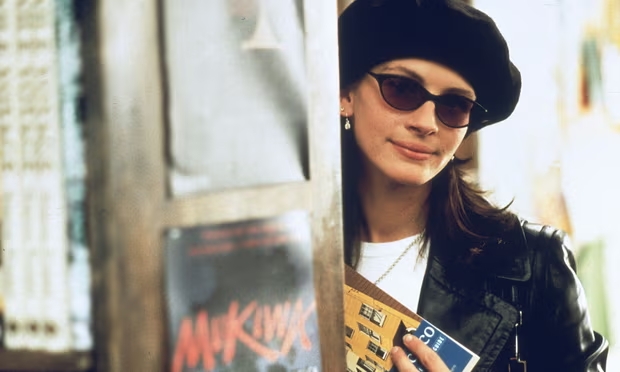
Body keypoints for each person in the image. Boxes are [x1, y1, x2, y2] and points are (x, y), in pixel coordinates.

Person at [338, 0, 608, 371]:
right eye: (401, 89)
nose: (426, 122)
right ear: (345, 96)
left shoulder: (534, 265)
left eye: (453, 105)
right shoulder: (282, 251)